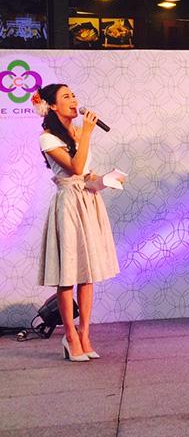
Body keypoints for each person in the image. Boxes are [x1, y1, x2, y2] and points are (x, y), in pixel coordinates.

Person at [31, 84, 120, 361]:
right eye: (66, 97)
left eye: (73, 95)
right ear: (52, 106)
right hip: (68, 204)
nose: (73, 100)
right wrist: (88, 134)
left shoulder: (79, 133)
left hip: (88, 201)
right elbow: (75, 168)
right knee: (69, 272)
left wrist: (104, 180)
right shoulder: (47, 138)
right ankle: (69, 336)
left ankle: (85, 335)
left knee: (87, 273)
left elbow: (86, 174)